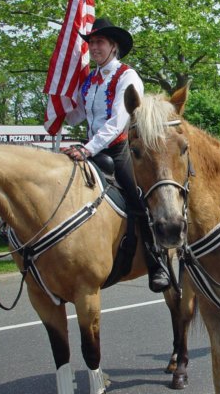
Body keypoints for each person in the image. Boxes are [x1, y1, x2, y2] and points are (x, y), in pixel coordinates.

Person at [61, 17, 170, 293]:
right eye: (92, 43)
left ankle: (158, 263)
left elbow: (118, 122)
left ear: (114, 46)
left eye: (99, 43)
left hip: (120, 149)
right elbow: (77, 117)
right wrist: (57, 104)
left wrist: (87, 149)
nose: (94, 48)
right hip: (91, 147)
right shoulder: (89, 82)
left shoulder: (127, 77)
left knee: (137, 200)